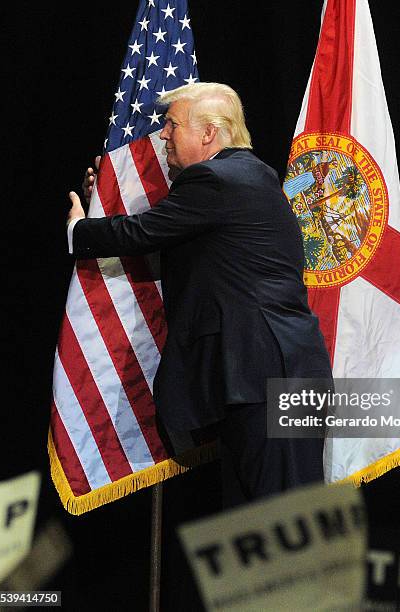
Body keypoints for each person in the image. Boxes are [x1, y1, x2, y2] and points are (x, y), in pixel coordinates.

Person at [68, 82, 332, 506]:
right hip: (263, 377)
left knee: (285, 529)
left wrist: (79, 228)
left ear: (209, 133)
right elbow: (173, 237)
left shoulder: (218, 179)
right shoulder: (242, 179)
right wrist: (106, 194)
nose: (164, 136)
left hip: (266, 379)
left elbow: (144, 232)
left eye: (172, 125)